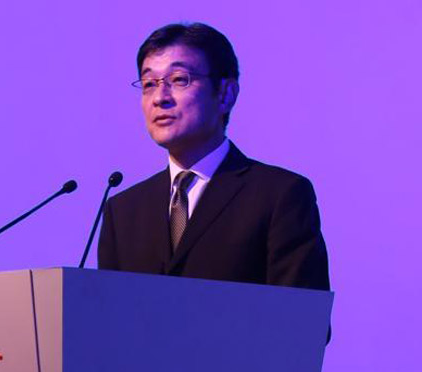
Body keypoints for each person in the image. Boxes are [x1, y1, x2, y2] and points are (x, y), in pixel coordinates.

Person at [97, 22, 330, 291]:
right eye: (149, 84)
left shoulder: (279, 195)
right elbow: (108, 312)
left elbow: (301, 313)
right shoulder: (123, 212)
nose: (159, 97)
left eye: (179, 79)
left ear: (225, 94)